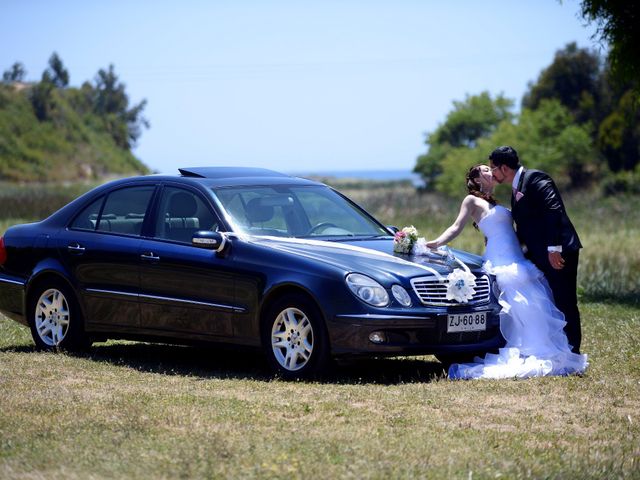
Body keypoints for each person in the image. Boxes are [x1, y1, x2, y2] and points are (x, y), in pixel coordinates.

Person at [426, 164, 587, 379]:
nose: (490, 171)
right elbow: (456, 227)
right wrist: (435, 243)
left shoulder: (498, 202)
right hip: (500, 259)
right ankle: (520, 348)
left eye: (491, 167)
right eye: (485, 169)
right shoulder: (471, 200)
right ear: (475, 179)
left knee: (533, 303)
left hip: (517, 257)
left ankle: (540, 347)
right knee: (516, 304)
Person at [489, 145, 583, 354]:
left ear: (504, 167)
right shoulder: (516, 187)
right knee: (549, 298)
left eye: (493, 168)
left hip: (558, 251)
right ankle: (558, 346)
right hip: (539, 254)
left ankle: (572, 351)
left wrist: (554, 248)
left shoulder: (536, 178)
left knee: (564, 299)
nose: (492, 173)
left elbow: (553, 210)